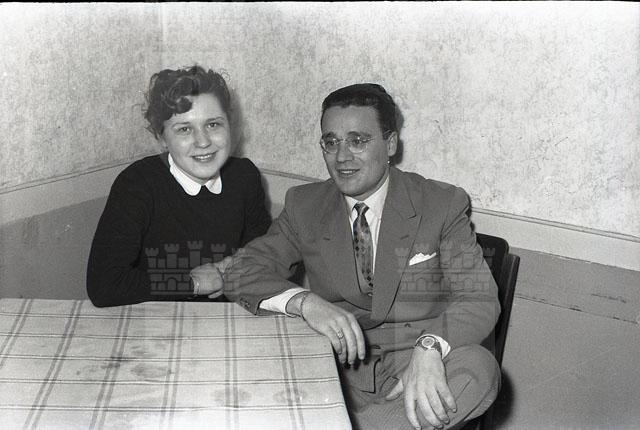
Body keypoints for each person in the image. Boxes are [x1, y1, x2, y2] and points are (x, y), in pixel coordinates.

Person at [218, 83, 501, 429]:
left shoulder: (440, 204)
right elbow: (242, 270)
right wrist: (305, 302)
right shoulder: (305, 205)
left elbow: (479, 298)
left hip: (414, 365)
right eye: (331, 142)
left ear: (390, 144)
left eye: (358, 141)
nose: (342, 156)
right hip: (335, 366)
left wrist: (429, 348)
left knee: (479, 369)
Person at [87, 65, 271, 307]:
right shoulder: (137, 184)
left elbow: (266, 256)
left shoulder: (244, 176)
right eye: (184, 129)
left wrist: (236, 268)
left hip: (226, 320)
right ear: (162, 138)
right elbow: (104, 284)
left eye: (213, 124)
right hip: (154, 323)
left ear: (229, 124)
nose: (203, 142)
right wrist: (192, 283)